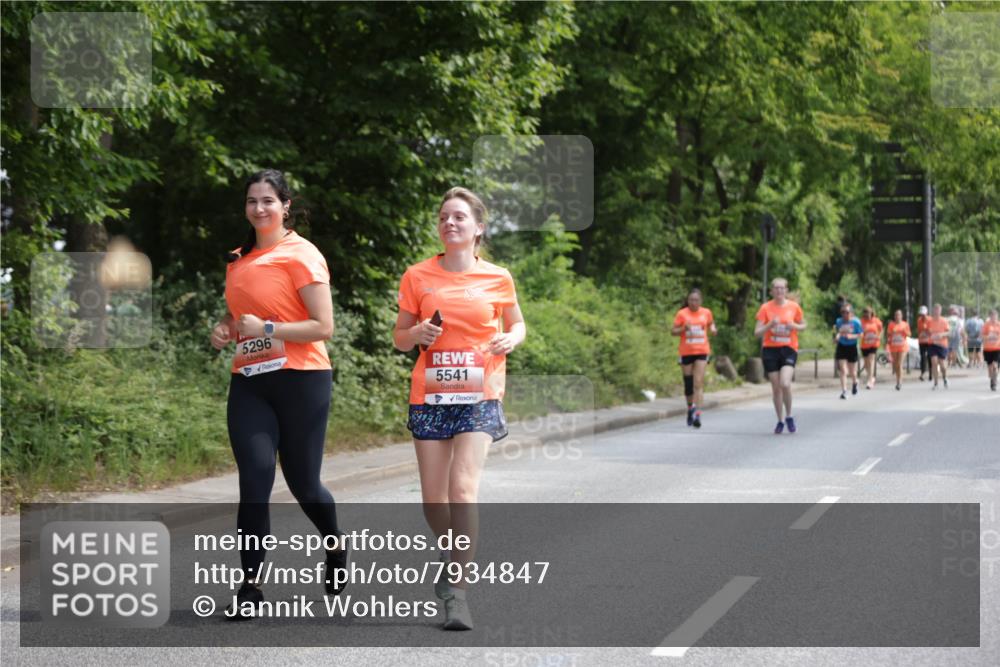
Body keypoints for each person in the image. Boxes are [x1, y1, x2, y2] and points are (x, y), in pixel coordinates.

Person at [210, 169, 345, 620]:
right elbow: (238, 317)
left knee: (304, 485)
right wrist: (226, 329)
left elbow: (323, 326)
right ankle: (249, 588)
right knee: (255, 480)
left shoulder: (302, 254)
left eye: (268, 200)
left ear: (285, 205)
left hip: (302, 379)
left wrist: (267, 328)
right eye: (252, 201)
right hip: (251, 381)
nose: (259, 209)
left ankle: (335, 545)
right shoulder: (236, 257)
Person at [393, 187, 526, 631]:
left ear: (478, 228)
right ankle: (455, 555)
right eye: (444, 217)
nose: (450, 223)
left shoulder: (498, 277)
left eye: (460, 217)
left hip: (480, 392)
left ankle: (458, 590)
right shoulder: (417, 276)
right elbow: (399, 337)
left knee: (461, 489)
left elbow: (517, 322)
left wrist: (512, 338)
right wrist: (417, 336)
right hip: (430, 393)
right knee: (433, 501)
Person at [754, 277, 806, 434]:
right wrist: (770, 325)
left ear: (786, 290)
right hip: (770, 350)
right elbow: (757, 332)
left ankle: (789, 415)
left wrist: (794, 326)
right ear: (771, 291)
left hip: (789, 348)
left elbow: (804, 325)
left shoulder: (794, 307)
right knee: (776, 388)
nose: (779, 291)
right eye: (776, 288)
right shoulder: (765, 308)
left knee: (785, 383)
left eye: (782, 288)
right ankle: (780, 420)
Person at [671, 288, 717, 428]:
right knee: (688, 384)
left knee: (698, 383)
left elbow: (710, 324)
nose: (693, 302)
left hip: (702, 350)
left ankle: (697, 413)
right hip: (686, 352)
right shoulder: (682, 314)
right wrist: (684, 329)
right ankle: (690, 408)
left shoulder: (706, 312)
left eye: (696, 300)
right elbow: (673, 331)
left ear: (700, 301)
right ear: (688, 300)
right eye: (691, 300)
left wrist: (713, 329)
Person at [832, 303, 862, 400]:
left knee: (852, 371)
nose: (845, 314)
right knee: (843, 370)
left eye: (847, 312)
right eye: (842, 312)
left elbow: (861, 335)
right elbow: (837, 332)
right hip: (842, 346)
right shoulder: (839, 321)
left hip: (852, 347)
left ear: (851, 313)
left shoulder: (856, 322)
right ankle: (844, 391)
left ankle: (855, 382)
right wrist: (836, 337)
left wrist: (852, 336)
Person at [926, 303, 951, 389]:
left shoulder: (944, 321)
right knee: (934, 362)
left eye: (938, 310)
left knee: (942, 365)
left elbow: (948, 333)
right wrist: (929, 334)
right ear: (933, 311)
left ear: (940, 311)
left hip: (942, 345)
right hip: (932, 344)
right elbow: (928, 331)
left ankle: (944, 378)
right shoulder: (930, 321)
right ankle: (936, 383)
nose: (936, 312)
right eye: (935, 310)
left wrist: (941, 334)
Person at [886, 309, 911, 390]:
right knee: (896, 364)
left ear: (901, 316)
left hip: (903, 346)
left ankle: (899, 382)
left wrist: (904, 332)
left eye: (899, 315)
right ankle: (897, 379)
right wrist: (891, 333)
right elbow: (888, 335)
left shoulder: (905, 324)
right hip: (894, 346)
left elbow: (909, 334)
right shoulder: (891, 324)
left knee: (899, 363)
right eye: (896, 315)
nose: (897, 316)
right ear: (894, 316)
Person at [859, 306, 883, 390]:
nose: (866, 316)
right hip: (864, 344)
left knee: (871, 360)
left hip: (874, 344)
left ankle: (869, 381)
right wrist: (861, 335)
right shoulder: (861, 321)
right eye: (865, 314)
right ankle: (871, 377)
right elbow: (859, 331)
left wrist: (879, 336)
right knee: (866, 364)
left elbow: (881, 330)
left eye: (868, 314)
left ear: (871, 313)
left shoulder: (876, 321)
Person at [982, 309, 1000, 392]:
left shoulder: (999, 325)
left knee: (995, 365)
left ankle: (994, 382)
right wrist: (988, 337)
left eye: (995, 316)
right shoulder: (986, 325)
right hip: (987, 348)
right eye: (992, 316)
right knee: (990, 369)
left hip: (997, 348)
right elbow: (982, 336)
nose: (994, 317)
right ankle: (992, 379)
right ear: (990, 316)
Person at [917, 305, 931, 381]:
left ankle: (931, 373)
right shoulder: (919, 320)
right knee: (922, 357)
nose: (922, 316)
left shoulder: (930, 320)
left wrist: (926, 331)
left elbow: (932, 330)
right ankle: (922, 373)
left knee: (929, 356)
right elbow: (919, 330)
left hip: (929, 341)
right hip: (922, 341)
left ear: (926, 313)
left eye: (924, 314)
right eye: (921, 314)